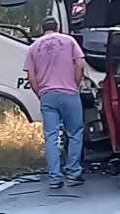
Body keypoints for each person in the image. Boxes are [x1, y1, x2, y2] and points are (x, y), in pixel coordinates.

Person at [24, 17, 86, 188]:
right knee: (75, 133)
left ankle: (54, 178)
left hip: (47, 95)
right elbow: (80, 64)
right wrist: (75, 85)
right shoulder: (69, 41)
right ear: (57, 27)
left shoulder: (33, 47)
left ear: (43, 29)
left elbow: (31, 77)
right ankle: (73, 173)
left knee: (51, 136)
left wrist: (40, 94)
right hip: (69, 93)